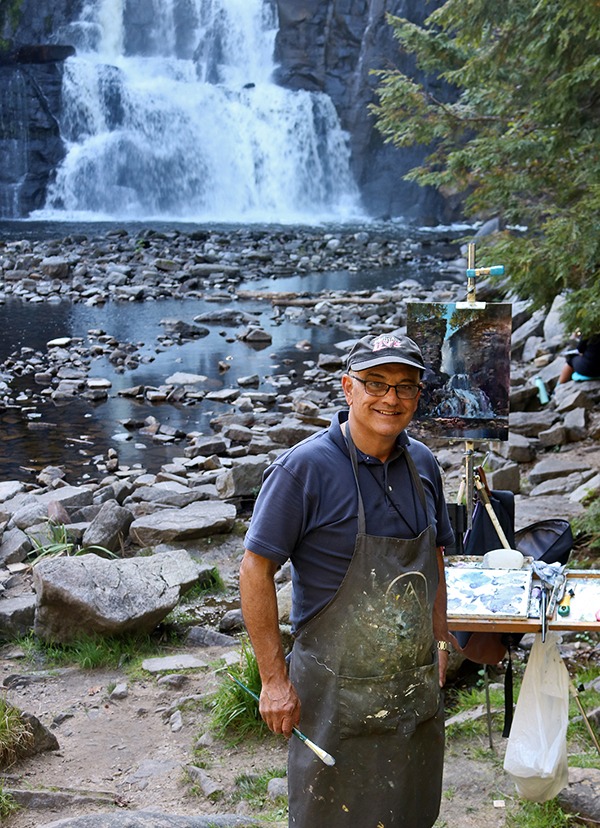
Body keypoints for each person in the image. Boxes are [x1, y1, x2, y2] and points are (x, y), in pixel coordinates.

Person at [239, 332, 456, 828]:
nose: (391, 398)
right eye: (375, 383)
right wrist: (273, 681)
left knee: (410, 809)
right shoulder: (303, 470)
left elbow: (436, 556)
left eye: (405, 386)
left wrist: (440, 637)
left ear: (418, 396)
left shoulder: (423, 464)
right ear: (347, 388)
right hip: (333, 694)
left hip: (410, 691)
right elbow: (255, 568)